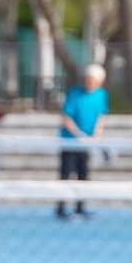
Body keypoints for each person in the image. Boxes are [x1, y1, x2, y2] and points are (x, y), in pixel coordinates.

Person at [56, 63, 109, 219]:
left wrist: (96, 136)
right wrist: (80, 136)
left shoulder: (101, 95)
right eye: (87, 79)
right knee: (66, 175)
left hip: (86, 144)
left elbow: (101, 116)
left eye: (93, 80)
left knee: (83, 175)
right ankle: (61, 208)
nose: (89, 82)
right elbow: (66, 118)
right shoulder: (74, 93)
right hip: (69, 142)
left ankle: (80, 207)